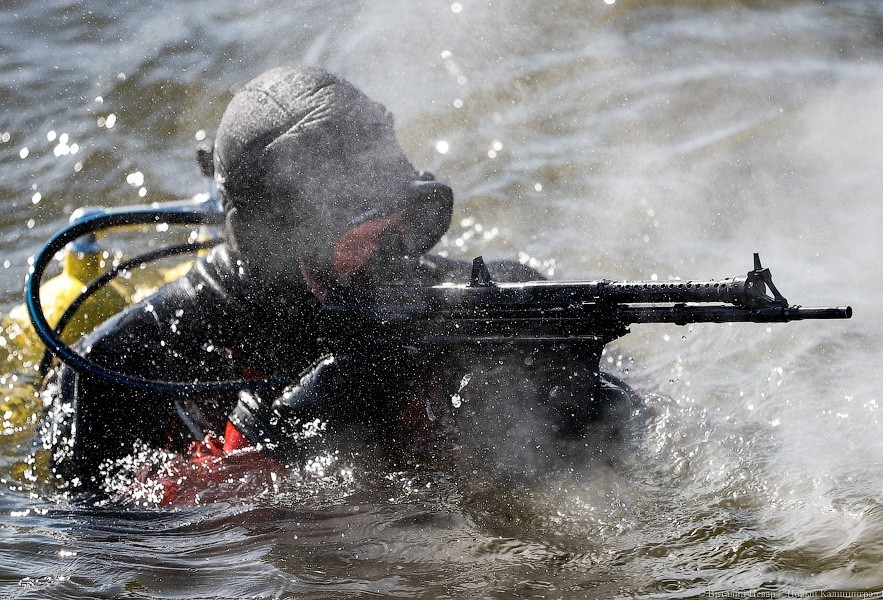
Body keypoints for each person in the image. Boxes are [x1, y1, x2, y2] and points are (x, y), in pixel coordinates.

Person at [40, 66, 634, 503]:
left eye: (405, 226)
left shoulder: (482, 299)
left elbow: (650, 431)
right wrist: (289, 429)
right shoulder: (120, 367)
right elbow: (109, 551)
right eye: (360, 242)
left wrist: (579, 401)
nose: (394, 262)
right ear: (280, 250)